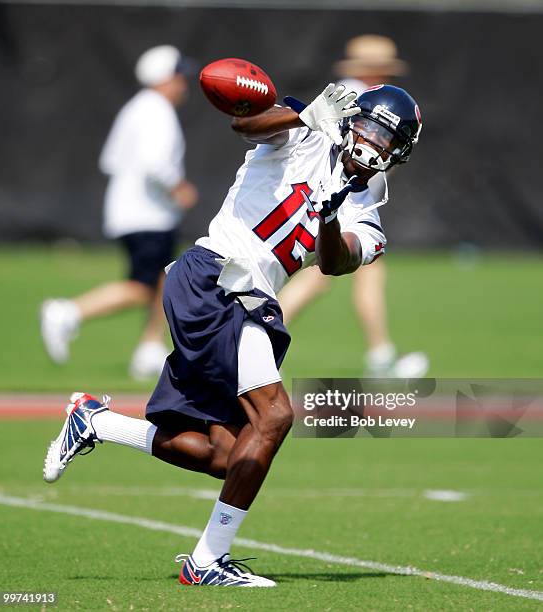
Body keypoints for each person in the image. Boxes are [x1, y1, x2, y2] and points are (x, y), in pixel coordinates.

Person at [43, 82, 423, 586]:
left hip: (239, 296)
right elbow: (245, 123)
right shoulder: (308, 129)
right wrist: (304, 116)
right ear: (353, 119)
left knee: (224, 455)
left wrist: (330, 214)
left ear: (398, 154)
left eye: (385, 140)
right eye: (371, 128)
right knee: (275, 415)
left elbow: (336, 261)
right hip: (217, 278)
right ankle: (205, 563)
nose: (373, 144)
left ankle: (96, 422)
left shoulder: (367, 205)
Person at [40, 45, 198, 380]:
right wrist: (178, 189)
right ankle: (67, 312)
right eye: (178, 76)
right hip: (146, 214)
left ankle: (149, 349)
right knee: (142, 286)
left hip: (137, 211)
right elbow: (155, 164)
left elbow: (109, 159)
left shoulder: (137, 108)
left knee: (163, 280)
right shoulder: (156, 111)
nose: (183, 83)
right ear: (164, 79)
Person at [277, 35, 428, 378]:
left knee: (321, 278)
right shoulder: (355, 96)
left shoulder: (362, 93)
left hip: (347, 200)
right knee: (360, 271)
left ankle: (251, 334)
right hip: (336, 200)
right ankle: (380, 356)